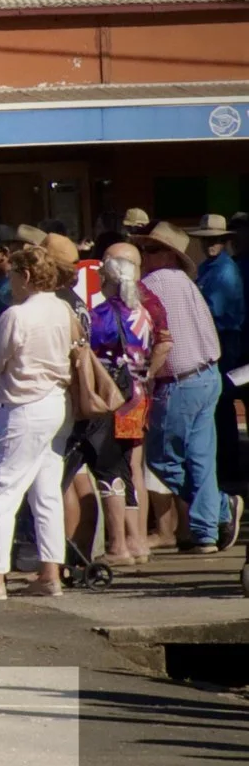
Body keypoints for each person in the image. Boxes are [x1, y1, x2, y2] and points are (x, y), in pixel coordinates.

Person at [0, 244, 75, 598]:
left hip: (23, 405)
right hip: (58, 402)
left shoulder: (16, 316)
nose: (8, 281)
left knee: (2, 494)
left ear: (24, 276)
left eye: (12, 274)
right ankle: (49, 573)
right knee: (47, 493)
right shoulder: (63, 309)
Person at [139, 222, 237, 553]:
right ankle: (206, 532)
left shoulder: (151, 285)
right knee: (200, 460)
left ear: (169, 255)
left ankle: (220, 508)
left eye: (151, 250)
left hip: (179, 382)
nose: (144, 256)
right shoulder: (188, 282)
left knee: (161, 459)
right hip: (208, 374)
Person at [82, 244, 154, 571]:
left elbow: (88, 354)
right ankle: (137, 541)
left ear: (108, 280)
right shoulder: (143, 314)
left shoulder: (101, 317)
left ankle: (117, 544)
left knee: (110, 469)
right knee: (129, 466)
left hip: (115, 397)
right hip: (140, 395)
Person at [193, 215, 246, 494]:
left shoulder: (224, 271)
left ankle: (228, 463)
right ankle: (225, 461)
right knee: (218, 404)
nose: (210, 244)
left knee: (222, 403)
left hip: (224, 339)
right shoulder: (208, 268)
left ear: (224, 241)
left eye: (215, 239)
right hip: (214, 338)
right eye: (206, 239)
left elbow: (214, 312)